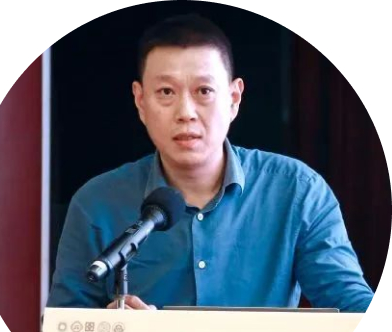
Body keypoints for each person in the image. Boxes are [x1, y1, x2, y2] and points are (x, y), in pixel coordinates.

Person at [46, 14, 374, 312]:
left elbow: (355, 309)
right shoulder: (97, 203)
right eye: (166, 92)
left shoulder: (297, 191)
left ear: (234, 99)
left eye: (204, 91)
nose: (185, 112)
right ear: (140, 101)